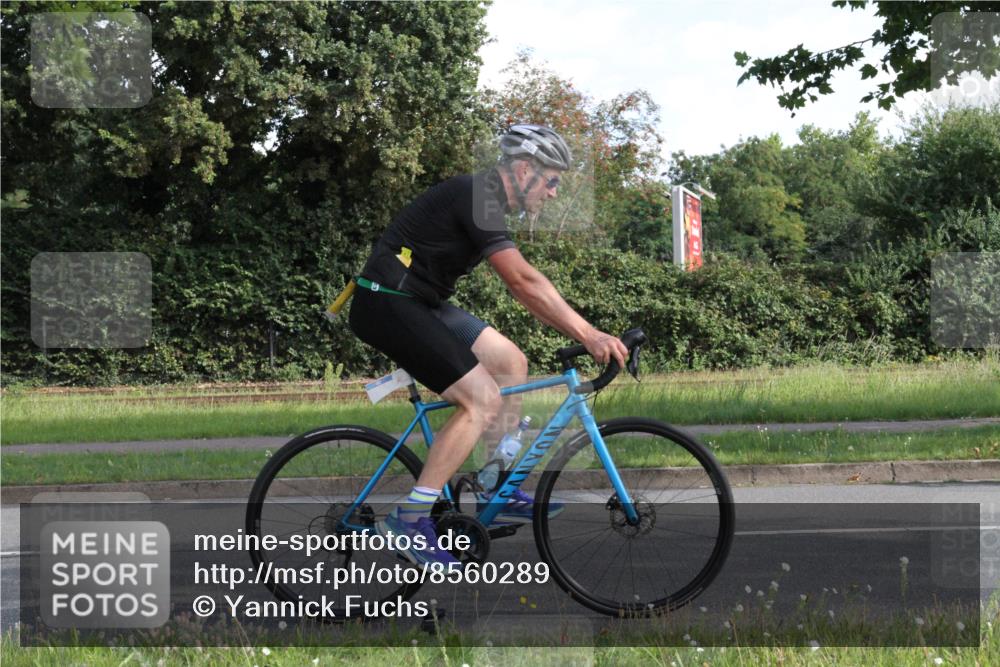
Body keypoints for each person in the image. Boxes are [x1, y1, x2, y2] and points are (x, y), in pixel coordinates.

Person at [348, 124, 628, 568]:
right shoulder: (478, 194)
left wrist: (583, 330)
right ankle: (411, 516)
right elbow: (522, 280)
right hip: (387, 300)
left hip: (420, 299)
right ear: (524, 169)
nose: (554, 193)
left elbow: (528, 285)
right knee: (480, 398)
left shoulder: (487, 199)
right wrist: (588, 334)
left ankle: (496, 480)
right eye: (552, 180)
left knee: (509, 361)